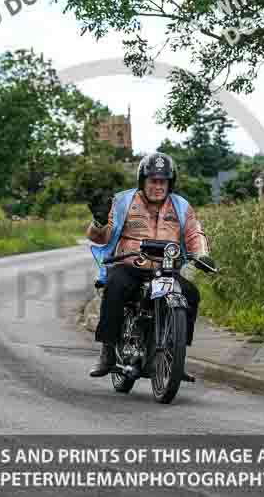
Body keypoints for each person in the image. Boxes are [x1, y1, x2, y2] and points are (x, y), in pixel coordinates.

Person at [85, 152, 216, 377]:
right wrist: (97, 222)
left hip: (166, 270)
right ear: (142, 181)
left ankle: (177, 358)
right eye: (153, 181)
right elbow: (101, 238)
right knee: (115, 286)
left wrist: (202, 255)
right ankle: (107, 352)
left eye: (163, 181)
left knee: (191, 294)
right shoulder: (124, 202)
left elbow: (194, 233)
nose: (158, 186)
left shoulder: (182, 206)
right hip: (130, 267)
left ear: (170, 183)